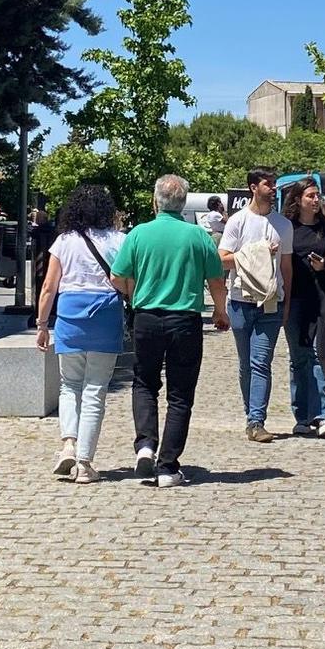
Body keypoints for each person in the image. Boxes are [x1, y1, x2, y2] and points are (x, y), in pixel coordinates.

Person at [112, 174, 229, 487]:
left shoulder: (138, 234)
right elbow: (216, 280)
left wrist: (132, 293)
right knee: (180, 395)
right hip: (185, 321)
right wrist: (220, 311)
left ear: (155, 201)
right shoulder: (197, 236)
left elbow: (117, 276)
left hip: (146, 318)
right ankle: (167, 467)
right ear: (183, 204)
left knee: (144, 383)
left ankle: (145, 446)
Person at [34, 183, 127, 484]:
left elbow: (49, 286)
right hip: (105, 315)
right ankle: (85, 463)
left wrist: (42, 325)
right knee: (95, 389)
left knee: (69, 385)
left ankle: (67, 445)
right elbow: (127, 282)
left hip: (70, 313)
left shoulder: (64, 241)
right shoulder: (119, 240)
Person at [219, 168, 293, 442]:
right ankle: (250, 413)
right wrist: (258, 251)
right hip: (240, 301)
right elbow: (222, 259)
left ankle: (256, 421)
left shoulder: (283, 225)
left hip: (272, 303)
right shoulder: (237, 222)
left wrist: (288, 302)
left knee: (261, 362)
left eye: (274, 184)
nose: (273, 189)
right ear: (253, 187)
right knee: (246, 364)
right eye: (268, 184)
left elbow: (287, 267)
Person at [283, 181, 325, 439]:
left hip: (323, 300)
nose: (316, 199)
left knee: (321, 357)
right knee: (299, 358)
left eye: (317, 195)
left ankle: (322, 416)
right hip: (296, 300)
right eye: (310, 195)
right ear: (298, 199)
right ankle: (301, 416)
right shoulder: (288, 229)